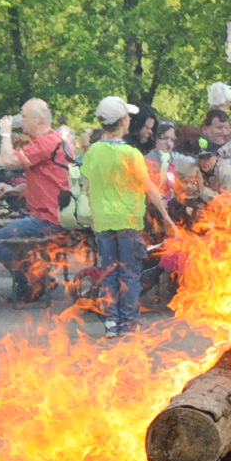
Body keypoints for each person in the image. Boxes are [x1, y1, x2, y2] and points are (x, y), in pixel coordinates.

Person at [83, 96, 170, 338]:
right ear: (123, 121)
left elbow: (88, 187)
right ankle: (129, 323)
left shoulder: (94, 151)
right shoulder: (132, 155)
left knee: (109, 271)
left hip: (103, 222)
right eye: (128, 116)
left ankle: (111, 322)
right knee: (130, 274)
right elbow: (150, 189)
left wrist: (92, 216)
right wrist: (167, 219)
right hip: (128, 222)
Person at [0, 99, 72, 300]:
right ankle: (36, 278)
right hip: (57, 214)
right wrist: (24, 187)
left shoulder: (45, 142)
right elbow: (53, 177)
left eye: (24, 116)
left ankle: (35, 278)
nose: (20, 120)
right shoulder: (56, 140)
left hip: (47, 219)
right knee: (8, 237)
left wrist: (5, 133)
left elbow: (8, 162)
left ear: (40, 119)